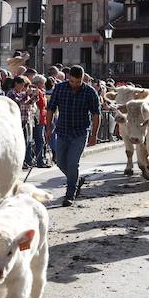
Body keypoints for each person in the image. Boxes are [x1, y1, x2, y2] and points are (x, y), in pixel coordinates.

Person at [47, 64, 101, 206]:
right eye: (72, 81)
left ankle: (70, 194)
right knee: (59, 161)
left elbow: (96, 114)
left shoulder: (90, 92)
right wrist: (48, 127)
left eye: (78, 82)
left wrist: (94, 134)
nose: (75, 85)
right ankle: (76, 180)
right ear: (68, 77)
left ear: (82, 79)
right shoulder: (60, 88)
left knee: (72, 163)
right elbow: (50, 109)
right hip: (62, 131)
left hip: (80, 132)